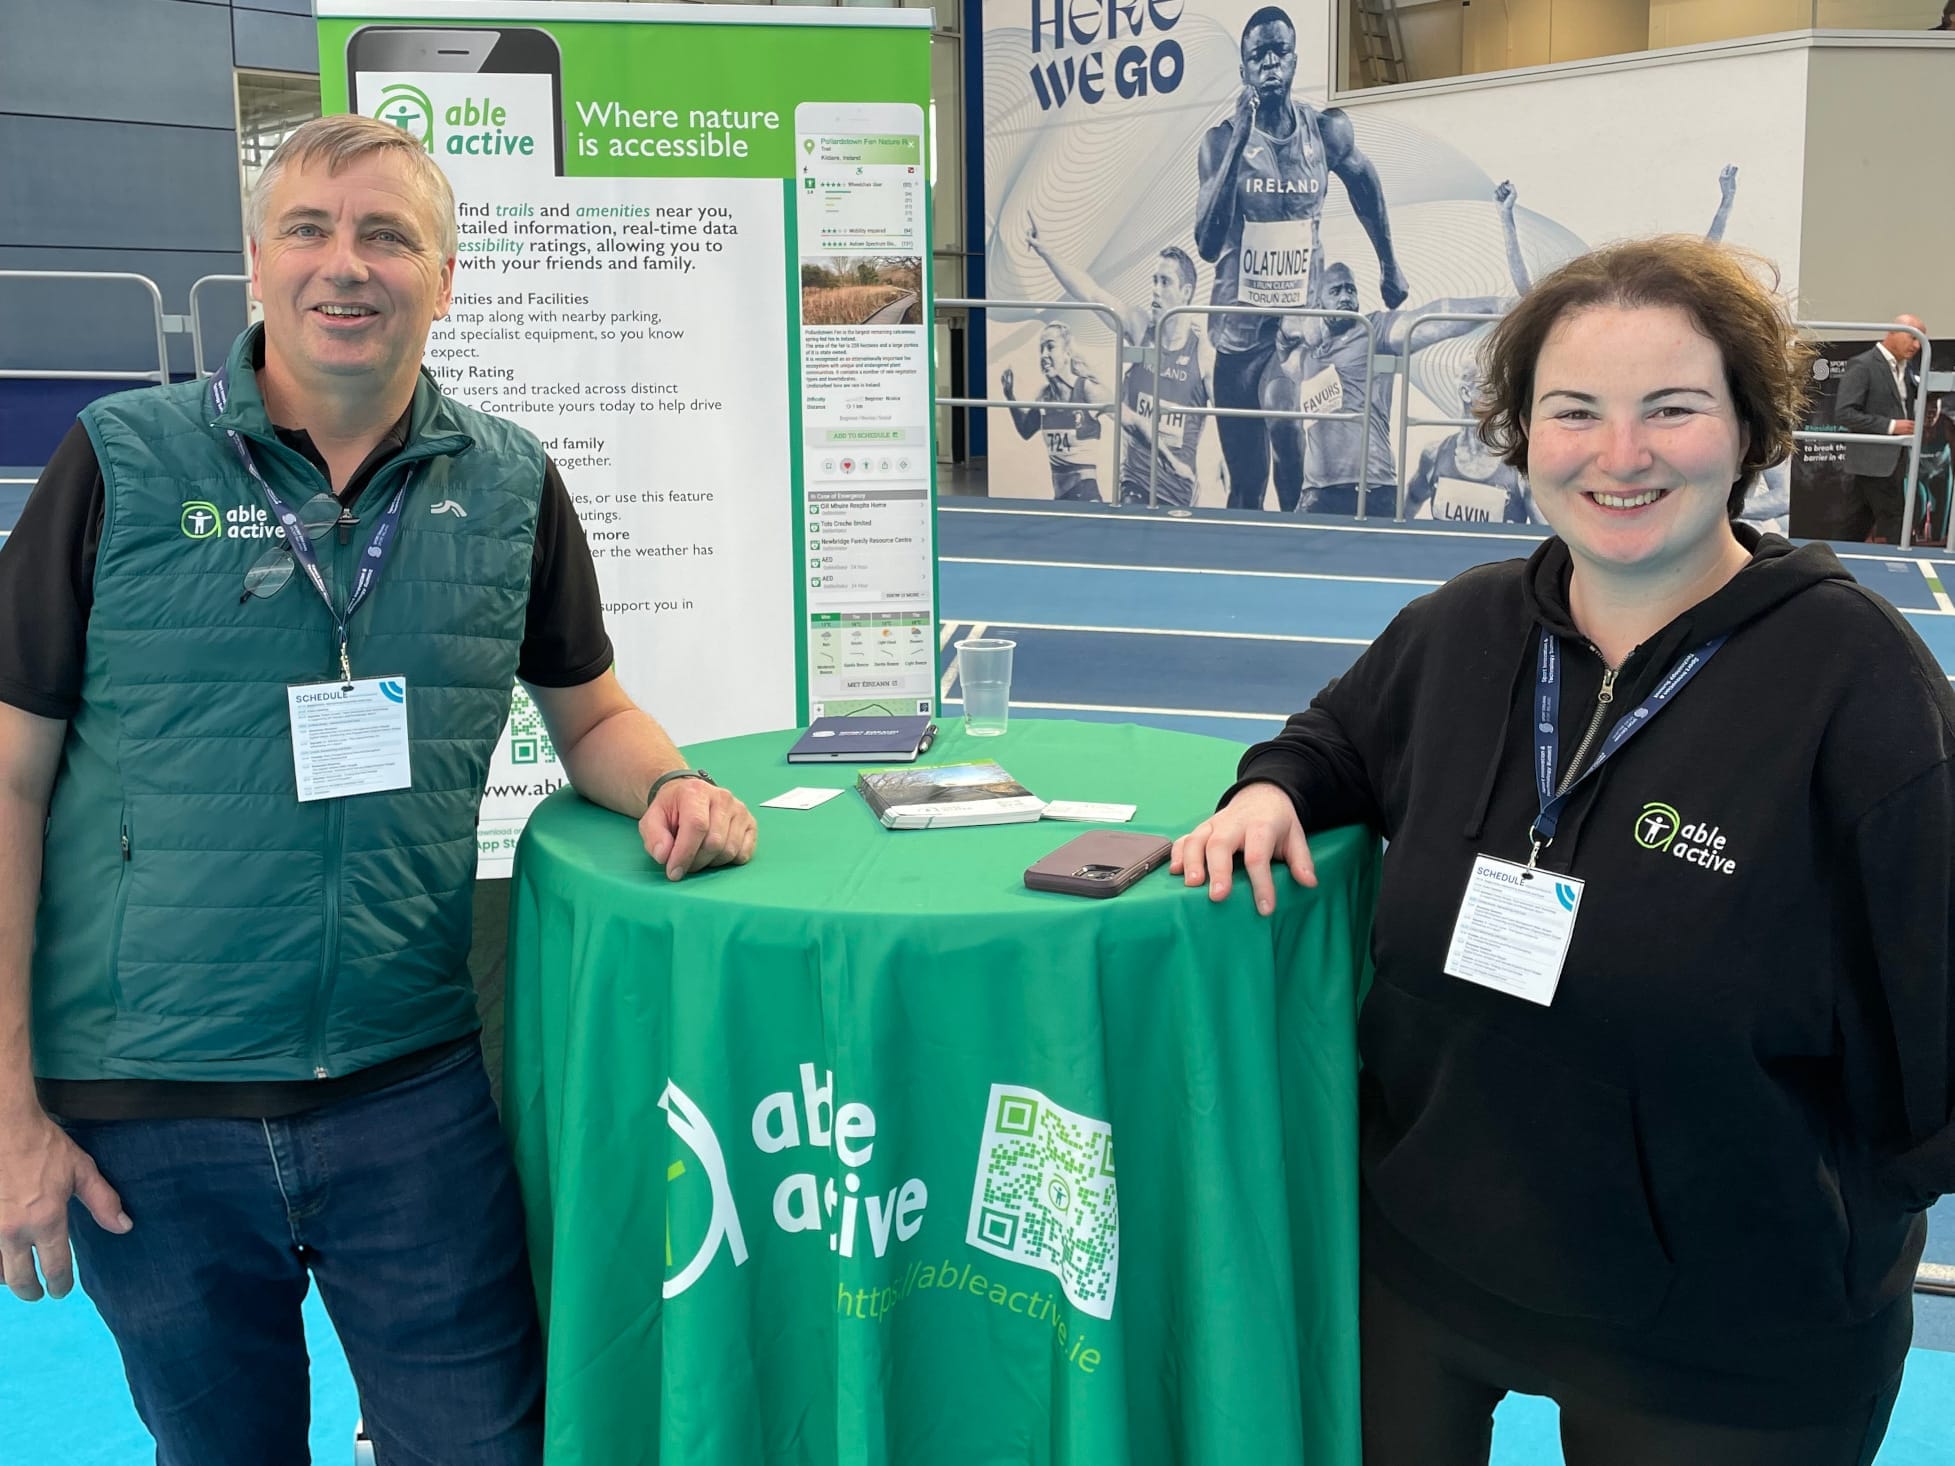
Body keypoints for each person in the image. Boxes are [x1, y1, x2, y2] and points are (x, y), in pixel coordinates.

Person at [0, 115, 757, 1465]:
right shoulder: (117, 461)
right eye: (309, 228)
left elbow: (591, 712)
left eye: (385, 234)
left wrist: (674, 783)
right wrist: (7, 1108)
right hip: (147, 1112)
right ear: (255, 264)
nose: (343, 265)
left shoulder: (510, 482)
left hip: (406, 1095)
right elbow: (7, 780)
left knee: (486, 1444)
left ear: (444, 276)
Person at [1173, 235, 1952, 1465]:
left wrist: (1848, 1216)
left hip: (1729, 1329)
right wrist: (1269, 787)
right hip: (1429, 1267)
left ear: (1747, 428)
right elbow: (1331, 737)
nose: (1620, 453)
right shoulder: (1460, 630)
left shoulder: (1852, 682)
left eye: (1671, 409)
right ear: (1520, 432)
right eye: (1573, 410)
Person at [1195, 3, 1406, 513]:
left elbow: (1365, 183)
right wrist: (1237, 147)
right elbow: (1205, 241)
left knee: (1290, 437)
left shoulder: (1327, 131)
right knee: (1246, 483)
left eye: (1278, 51)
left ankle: (1299, 544)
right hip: (1238, 329)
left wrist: (1389, 264)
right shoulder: (1220, 141)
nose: (1269, 63)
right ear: (1244, 69)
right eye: (1257, 55)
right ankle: (1246, 570)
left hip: (1298, 326)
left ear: (1293, 60)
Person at [1264, 180, 1530, 519]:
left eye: (1352, 290)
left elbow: (1436, 316)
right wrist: (1299, 325)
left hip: (1371, 490)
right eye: (1337, 291)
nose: (1347, 297)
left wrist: (1496, 306)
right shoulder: (1307, 359)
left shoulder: (1373, 331)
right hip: (1317, 492)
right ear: (1319, 301)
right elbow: (1284, 346)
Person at [1023, 215, 1212, 508]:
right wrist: (1045, 250)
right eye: (1154, 281)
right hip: (1134, 481)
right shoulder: (1140, 328)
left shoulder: (1204, 354)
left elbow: (1230, 420)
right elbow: (1089, 292)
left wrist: (1223, 465)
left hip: (1179, 487)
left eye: (1165, 282)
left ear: (1186, 292)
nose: (1155, 290)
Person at [1405, 362, 1539, 524]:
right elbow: (1409, 506)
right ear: (1466, 392)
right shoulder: (1433, 455)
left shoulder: (1522, 465)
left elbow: (1544, 535)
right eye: (1491, 388)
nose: (1501, 397)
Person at [1832, 315, 1925, 543]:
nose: (1916, 345)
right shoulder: (1863, 365)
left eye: (1920, 341)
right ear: (1892, 332)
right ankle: (1905, 565)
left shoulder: (1906, 369)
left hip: (1891, 461)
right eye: (1912, 337)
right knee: (1895, 518)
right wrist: (1892, 426)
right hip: (1873, 458)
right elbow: (1845, 413)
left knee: (1856, 521)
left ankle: (1833, 559)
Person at [1002, 319, 1106, 502]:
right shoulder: (1044, 397)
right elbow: (1025, 430)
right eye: (1040, 349)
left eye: (1050, 347)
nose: (1043, 355)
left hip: (1085, 494)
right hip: (1060, 496)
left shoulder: (1086, 390)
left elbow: (1128, 419)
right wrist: (1009, 396)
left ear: (1067, 353)